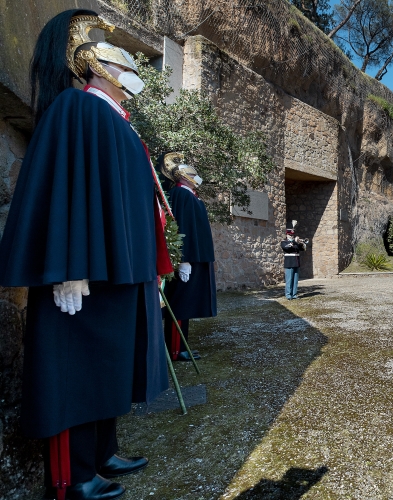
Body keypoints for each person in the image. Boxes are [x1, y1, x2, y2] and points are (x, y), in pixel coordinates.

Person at [0, 11, 170, 499]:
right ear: (100, 68)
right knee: (76, 366)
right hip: (84, 272)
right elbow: (65, 192)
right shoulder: (76, 109)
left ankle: (102, 452)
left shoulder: (117, 120)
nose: (133, 74)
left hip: (119, 270)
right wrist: (68, 268)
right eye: (126, 66)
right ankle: (73, 475)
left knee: (107, 365)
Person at [161, 153, 217, 362]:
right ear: (184, 176)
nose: (197, 176)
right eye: (192, 173)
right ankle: (176, 350)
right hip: (188, 260)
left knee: (187, 304)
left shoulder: (188, 194)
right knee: (181, 304)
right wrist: (184, 259)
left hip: (195, 258)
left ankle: (182, 345)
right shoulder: (181, 195)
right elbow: (182, 228)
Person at [281, 224, 307, 300]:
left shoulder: (296, 243)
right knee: (289, 280)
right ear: (287, 234)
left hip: (296, 263)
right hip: (289, 263)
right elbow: (287, 248)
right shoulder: (284, 242)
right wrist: (294, 242)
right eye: (290, 235)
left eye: (292, 235)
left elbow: (303, 249)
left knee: (295, 280)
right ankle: (288, 295)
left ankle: (294, 294)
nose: (291, 236)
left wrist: (301, 242)